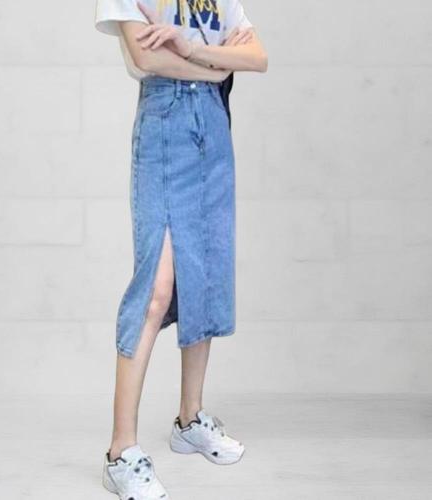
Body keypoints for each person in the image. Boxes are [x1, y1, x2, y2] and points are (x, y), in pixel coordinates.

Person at [95, 1, 267, 498]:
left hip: (213, 125)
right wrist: (217, 65)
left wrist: (188, 48)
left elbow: (259, 57)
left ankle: (190, 420)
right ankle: (120, 451)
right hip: (165, 121)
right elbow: (147, 59)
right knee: (156, 288)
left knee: (204, 272)